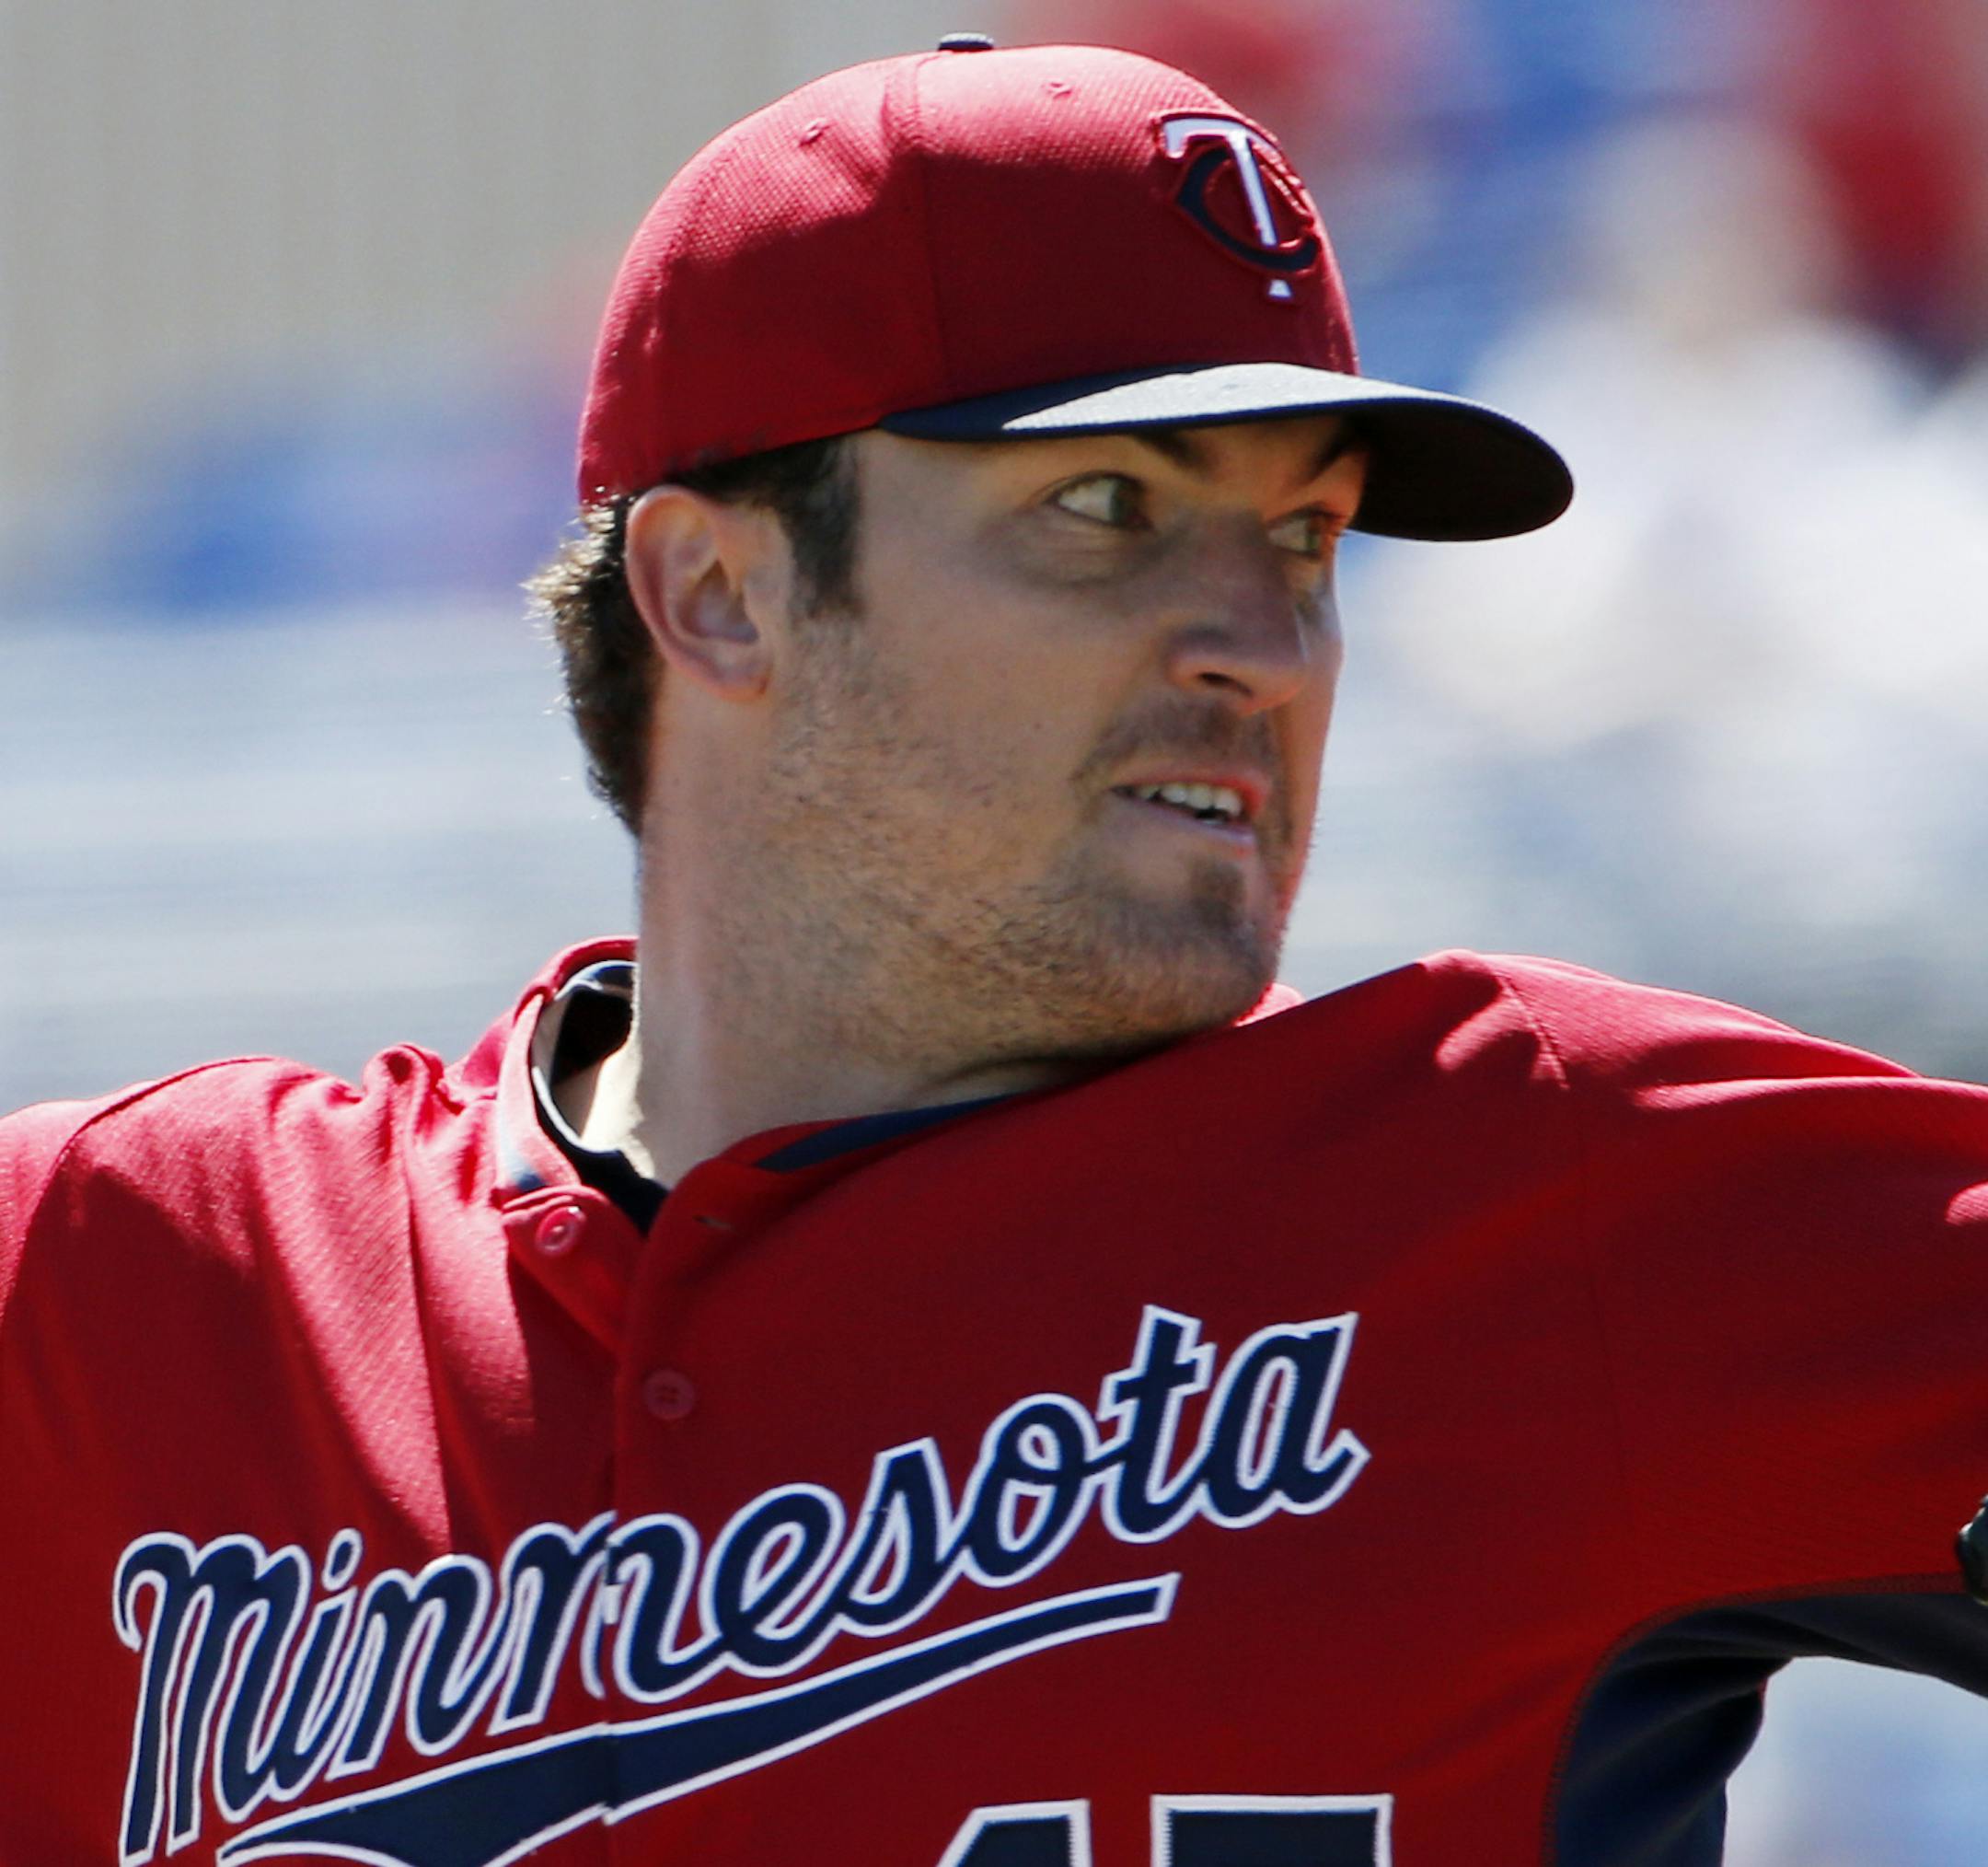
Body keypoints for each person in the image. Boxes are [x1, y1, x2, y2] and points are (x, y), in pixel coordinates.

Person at [2, 38, 1984, 1867]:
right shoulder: (128, 1280)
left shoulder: (1557, 1193)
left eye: (1304, 538)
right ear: (718, 595)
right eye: (1106, 509)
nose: (1265, 641)